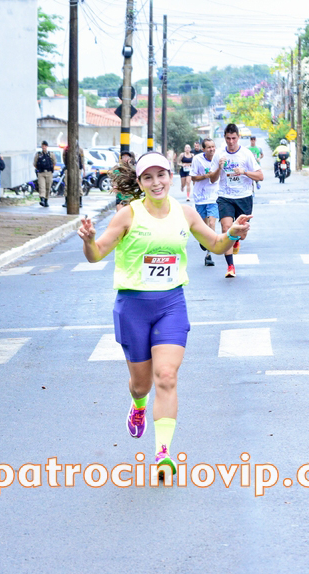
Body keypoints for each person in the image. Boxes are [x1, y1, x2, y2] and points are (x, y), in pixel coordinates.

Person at [76, 152, 251, 478]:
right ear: (140, 182)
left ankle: (162, 453)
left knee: (167, 376)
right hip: (133, 307)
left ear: (171, 177)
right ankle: (138, 405)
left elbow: (215, 244)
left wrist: (234, 234)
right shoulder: (128, 215)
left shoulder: (185, 213)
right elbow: (96, 254)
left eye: (161, 175)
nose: (156, 182)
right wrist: (88, 241)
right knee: (141, 385)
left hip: (171, 304)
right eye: (148, 177)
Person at [216, 123, 263, 278]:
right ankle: (230, 267)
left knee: (242, 234)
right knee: (226, 228)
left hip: (244, 197)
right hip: (225, 197)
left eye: (234, 138)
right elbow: (212, 179)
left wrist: (244, 172)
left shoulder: (246, 154)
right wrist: (218, 168)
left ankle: (236, 240)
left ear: (239, 137)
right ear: (224, 137)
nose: (231, 142)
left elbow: (260, 176)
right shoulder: (219, 154)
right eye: (228, 138)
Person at [190, 137, 222, 266]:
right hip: (200, 197)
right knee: (204, 226)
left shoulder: (218, 158)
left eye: (213, 147)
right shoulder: (197, 159)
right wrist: (205, 176)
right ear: (203, 149)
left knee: (212, 223)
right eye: (209, 147)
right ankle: (203, 240)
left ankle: (209, 254)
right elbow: (193, 177)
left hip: (214, 196)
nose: (212, 149)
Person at [34, 141, 55, 208]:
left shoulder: (51, 154)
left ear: (47, 146)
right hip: (41, 173)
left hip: (49, 173)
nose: (44, 147)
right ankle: (42, 199)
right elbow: (34, 163)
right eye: (43, 146)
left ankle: (46, 200)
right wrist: (39, 169)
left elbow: (54, 162)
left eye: (45, 146)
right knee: (42, 186)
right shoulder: (38, 154)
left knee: (48, 187)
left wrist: (51, 169)